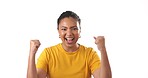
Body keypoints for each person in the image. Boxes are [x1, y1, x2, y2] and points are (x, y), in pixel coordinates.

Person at [27, 11, 112, 78]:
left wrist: (102, 49)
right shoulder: (48, 53)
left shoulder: (89, 53)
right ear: (58, 31)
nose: (69, 33)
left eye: (74, 29)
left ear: (80, 31)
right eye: (64, 29)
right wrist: (32, 53)